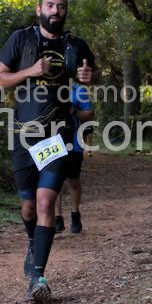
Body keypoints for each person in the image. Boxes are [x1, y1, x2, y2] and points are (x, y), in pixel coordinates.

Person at [0, 0, 98, 303]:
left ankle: (38, 277)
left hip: (58, 136)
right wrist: (31, 71)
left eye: (61, 7)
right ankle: (32, 244)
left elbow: (93, 75)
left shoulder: (75, 45)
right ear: (39, 9)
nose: (56, 11)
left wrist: (88, 76)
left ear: (66, 11)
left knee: (45, 203)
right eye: (50, 6)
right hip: (24, 135)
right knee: (27, 207)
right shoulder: (21, 39)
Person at [55, 83, 94, 233]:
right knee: (54, 181)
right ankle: (57, 218)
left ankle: (75, 214)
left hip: (74, 142)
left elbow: (89, 113)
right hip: (53, 141)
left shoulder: (79, 90)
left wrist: (74, 110)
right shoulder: (47, 88)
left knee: (73, 180)